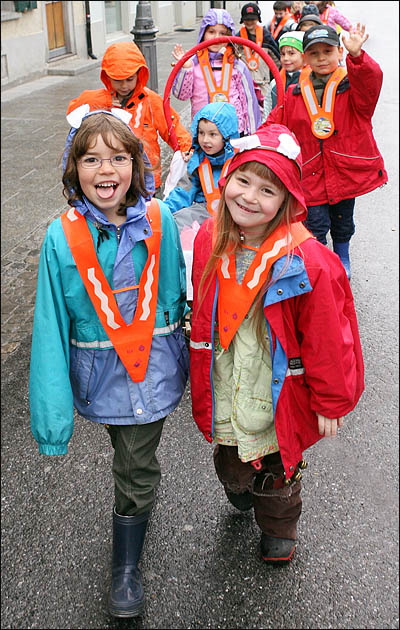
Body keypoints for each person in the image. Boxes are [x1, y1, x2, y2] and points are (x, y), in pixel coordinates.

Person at [29, 108, 189, 618]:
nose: (106, 171)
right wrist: (52, 421)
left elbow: (179, 297)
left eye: (118, 158)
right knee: (131, 460)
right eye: (91, 158)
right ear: (72, 167)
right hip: (99, 377)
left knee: (135, 464)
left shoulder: (160, 220)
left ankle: (126, 567)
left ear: (137, 164)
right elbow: (50, 329)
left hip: (153, 372)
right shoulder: (61, 237)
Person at [189, 124, 364, 563]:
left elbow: (330, 336)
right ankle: (237, 485)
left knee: (279, 468)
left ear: (288, 199)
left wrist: (330, 400)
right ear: (225, 178)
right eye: (242, 181)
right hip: (229, 377)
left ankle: (279, 526)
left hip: (278, 384)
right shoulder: (211, 238)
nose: (249, 197)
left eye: (267, 190)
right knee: (231, 457)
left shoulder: (308, 260)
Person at [265, 24, 388, 279]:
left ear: (339, 52)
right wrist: (254, 141)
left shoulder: (351, 86)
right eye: (314, 53)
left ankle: (342, 255)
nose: (321, 58)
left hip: (343, 171)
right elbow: (276, 123)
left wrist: (358, 57)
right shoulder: (294, 92)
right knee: (316, 223)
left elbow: (371, 81)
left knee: (343, 221)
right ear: (305, 58)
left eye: (327, 51)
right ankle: (320, 261)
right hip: (310, 172)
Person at [66, 41, 192, 195]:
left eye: (130, 79)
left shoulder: (151, 100)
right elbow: (74, 109)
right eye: (118, 80)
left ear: (139, 74)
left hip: (146, 179)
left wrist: (186, 148)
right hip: (112, 179)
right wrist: (103, 100)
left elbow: (172, 126)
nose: (124, 86)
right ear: (108, 77)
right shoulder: (100, 100)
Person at [172, 8, 261, 135]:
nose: (216, 38)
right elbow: (181, 95)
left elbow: (249, 102)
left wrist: (253, 136)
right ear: (203, 33)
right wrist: (186, 68)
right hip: (204, 135)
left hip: (233, 133)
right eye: (211, 32)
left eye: (222, 33)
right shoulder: (193, 64)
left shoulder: (238, 66)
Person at [235, 2, 281, 112]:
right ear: (242, 20)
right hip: (243, 82)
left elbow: (277, 59)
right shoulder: (237, 38)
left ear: (258, 19)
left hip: (263, 83)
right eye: (247, 19)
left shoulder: (266, 37)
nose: (250, 22)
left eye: (252, 19)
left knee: (265, 111)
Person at [268, 31, 307, 112]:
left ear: (304, 56)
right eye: (282, 54)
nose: (285, 58)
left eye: (291, 53)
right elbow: (268, 109)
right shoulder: (275, 83)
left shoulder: (311, 81)